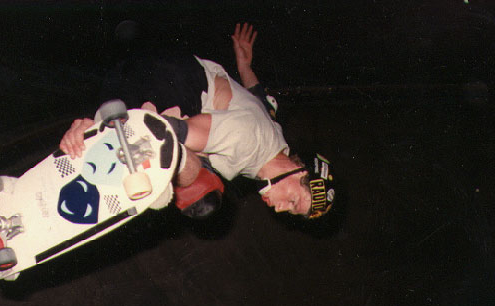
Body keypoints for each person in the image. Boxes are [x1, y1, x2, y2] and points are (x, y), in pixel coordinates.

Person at [60, 23, 335, 220]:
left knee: (196, 177)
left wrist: (244, 67)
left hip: (176, 70)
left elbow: (265, 103)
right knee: (195, 189)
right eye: (293, 201)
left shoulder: (276, 143)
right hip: (168, 81)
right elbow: (170, 130)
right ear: (299, 171)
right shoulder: (250, 143)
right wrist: (100, 130)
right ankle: (90, 134)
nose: (280, 208)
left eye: (290, 211)